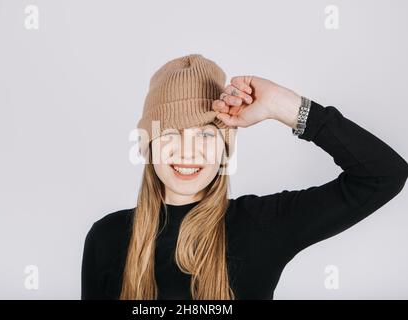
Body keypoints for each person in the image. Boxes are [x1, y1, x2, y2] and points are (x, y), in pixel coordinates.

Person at [81, 54, 408, 300]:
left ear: (225, 149)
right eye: (170, 134)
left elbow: (383, 175)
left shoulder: (263, 226)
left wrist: (282, 105)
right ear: (146, 145)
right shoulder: (106, 237)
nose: (188, 151)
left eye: (207, 136)